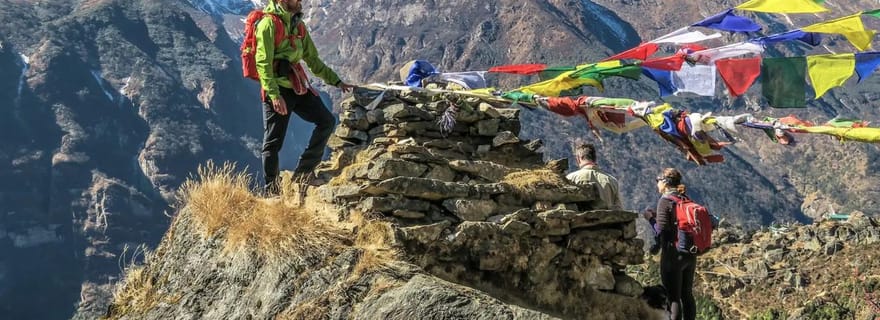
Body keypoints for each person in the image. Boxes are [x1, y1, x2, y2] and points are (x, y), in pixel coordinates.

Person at [255, 0, 354, 195]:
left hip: (297, 86)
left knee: (326, 121)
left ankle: (304, 172)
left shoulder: (298, 25)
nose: (300, 1)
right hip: (278, 90)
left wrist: (337, 81)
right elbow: (263, 63)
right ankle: (272, 192)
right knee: (273, 143)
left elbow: (313, 60)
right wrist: (274, 95)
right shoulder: (268, 24)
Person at [653, 168, 696, 320]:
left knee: (673, 298)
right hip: (689, 253)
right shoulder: (685, 199)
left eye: (658, 180)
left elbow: (662, 231)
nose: (657, 183)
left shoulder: (665, 201)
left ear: (665, 182)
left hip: (672, 254)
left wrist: (651, 219)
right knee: (687, 295)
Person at [565, 142, 622, 210]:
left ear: (578, 158)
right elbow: (619, 208)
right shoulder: (612, 181)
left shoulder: (570, 179)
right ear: (594, 158)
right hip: (607, 219)